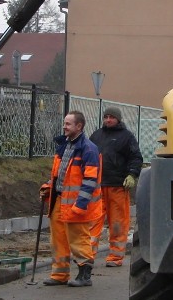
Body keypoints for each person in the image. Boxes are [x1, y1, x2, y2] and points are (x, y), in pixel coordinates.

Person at [39, 111, 102, 287]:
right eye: (65, 123)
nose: (64, 126)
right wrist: (48, 186)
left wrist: (80, 205)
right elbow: (59, 174)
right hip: (59, 200)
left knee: (79, 239)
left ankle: (84, 275)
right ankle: (59, 274)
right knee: (57, 239)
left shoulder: (88, 149)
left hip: (76, 204)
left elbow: (90, 180)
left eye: (68, 124)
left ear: (79, 126)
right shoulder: (64, 146)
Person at [89, 106, 143, 267]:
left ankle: (116, 256)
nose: (108, 120)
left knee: (118, 223)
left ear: (118, 119)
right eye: (106, 117)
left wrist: (132, 174)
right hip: (97, 186)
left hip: (117, 186)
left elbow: (135, 157)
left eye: (111, 117)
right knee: (92, 222)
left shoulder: (126, 137)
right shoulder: (96, 136)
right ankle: (87, 255)